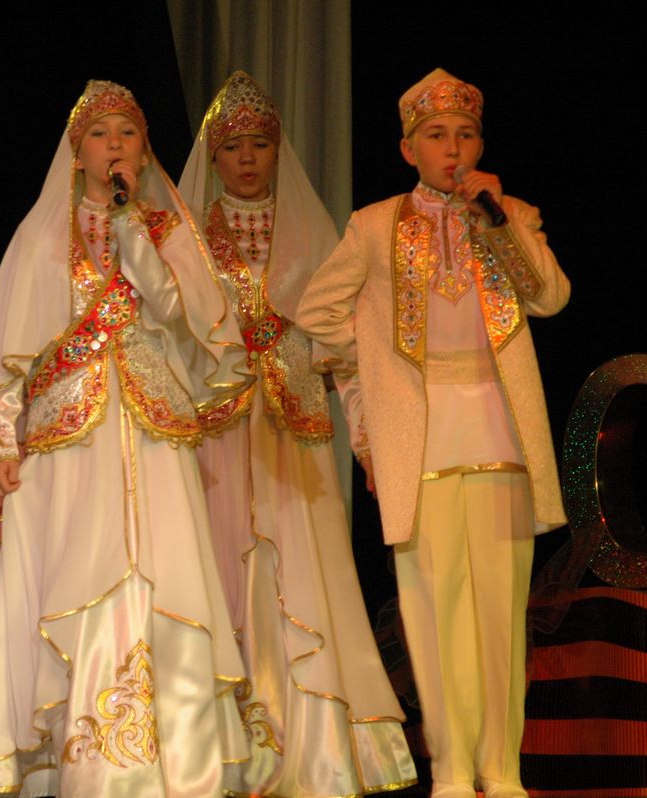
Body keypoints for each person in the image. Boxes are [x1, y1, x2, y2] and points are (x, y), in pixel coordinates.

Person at [0, 80, 249, 797]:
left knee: (163, 574)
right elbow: (10, 356)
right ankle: (79, 760)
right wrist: (3, 443)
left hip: (152, 426)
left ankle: (176, 763)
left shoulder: (165, 228)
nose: (114, 144)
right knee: (75, 578)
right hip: (69, 437)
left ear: (144, 150)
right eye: (99, 133)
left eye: (127, 132)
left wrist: (133, 230)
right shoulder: (39, 238)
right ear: (76, 152)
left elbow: (176, 309)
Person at [295, 69, 570, 798]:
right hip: (419, 439)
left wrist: (499, 221)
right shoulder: (373, 225)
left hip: (500, 433)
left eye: (466, 134)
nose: (454, 148)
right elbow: (318, 315)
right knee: (434, 609)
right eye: (438, 135)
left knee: (501, 612)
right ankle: (449, 773)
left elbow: (550, 297)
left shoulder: (511, 214)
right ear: (408, 148)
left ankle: (502, 772)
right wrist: (375, 378)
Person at [178, 71, 416, 797]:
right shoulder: (188, 236)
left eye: (259, 144)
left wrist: (369, 442)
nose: (247, 158)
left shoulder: (316, 235)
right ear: (213, 158)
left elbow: (344, 346)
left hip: (295, 421)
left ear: (277, 151)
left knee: (304, 561)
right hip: (221, 422)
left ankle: (320, 744)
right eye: (233, 147)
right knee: (225, 556)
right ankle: (222, 746)